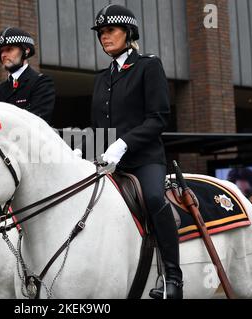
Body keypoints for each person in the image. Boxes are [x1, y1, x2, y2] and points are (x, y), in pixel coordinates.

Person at [90, 4, 182, 299]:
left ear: (128, 33)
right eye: (101, 33)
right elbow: (98, 126)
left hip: (144, 160)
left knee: (155, 198)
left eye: (110, 31)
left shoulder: (148, 66)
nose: (104, 37)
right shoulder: (102, 78)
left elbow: (158, 117)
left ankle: (172, 277)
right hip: (111, 164)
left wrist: (123, 144)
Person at [0, 27, 55, 125]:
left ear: (26, 51)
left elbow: (37, 121)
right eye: (1, 51)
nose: (3, 54)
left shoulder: (41, 83)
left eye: (9, 49)